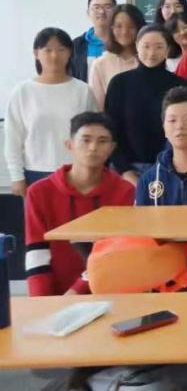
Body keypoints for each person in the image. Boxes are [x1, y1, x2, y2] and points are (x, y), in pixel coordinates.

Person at [24, 112, 134, 296]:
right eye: (86, 140)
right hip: (55, 296)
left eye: (102, 141)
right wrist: (41, 302)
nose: (93, 147)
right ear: (70, 145)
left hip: (109, 292)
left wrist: (76, 291)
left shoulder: (124, 191)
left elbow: (115, 254)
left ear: (112, 148)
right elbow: (36, 252)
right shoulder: (39, 192)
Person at [5, 28, 98, 196]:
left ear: (70, 53)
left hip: (77, 171)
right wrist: (16, 176)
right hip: (35, 172)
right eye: (47, 50)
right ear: (36, 53)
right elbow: (13, 139)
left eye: (61, 49)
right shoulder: (22, 92)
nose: (54, 56)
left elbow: (95, 134)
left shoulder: (83, 91)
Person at [105, 24, 181, 184]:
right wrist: (125, 171)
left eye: (159, 47)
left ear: (168, 49)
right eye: (146, 46)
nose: (152, 53)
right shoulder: (119, 83)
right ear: (136, 46)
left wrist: (168, 169)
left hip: (168, 169)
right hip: (125, 170)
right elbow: (110, 130)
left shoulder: (179, 85)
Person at [88, 3, 145, 109]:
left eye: (131, 26)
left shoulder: (149, 60)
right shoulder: (100, 64)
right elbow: (96, 108)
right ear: (111, 28)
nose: (124, 32)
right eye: (118, 26)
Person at [71, 0, 117, 82]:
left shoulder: (124, 41)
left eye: (107, 7)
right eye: (96, 7)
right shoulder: (76, 45)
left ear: (116, 12)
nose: (102, 11)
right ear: (88, 13)